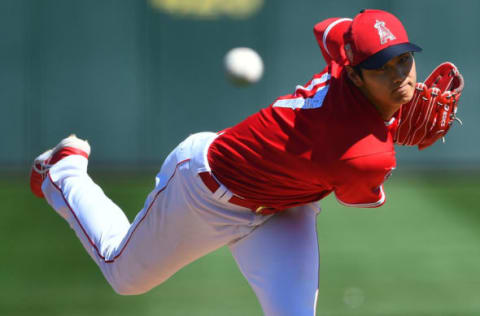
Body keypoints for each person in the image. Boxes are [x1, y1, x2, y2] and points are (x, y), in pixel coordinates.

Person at [30, 9, 451, 316]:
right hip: (207, 190)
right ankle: (64, 169)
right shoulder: (365, 157)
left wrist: (386, 115)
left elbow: (330, 28)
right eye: (381, 67)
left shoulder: (342, 47)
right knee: (126, 278)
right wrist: (393, 127)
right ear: (355, 74)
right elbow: (361, 190)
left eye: (403, 60)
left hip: (283, 209)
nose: (401, 76)